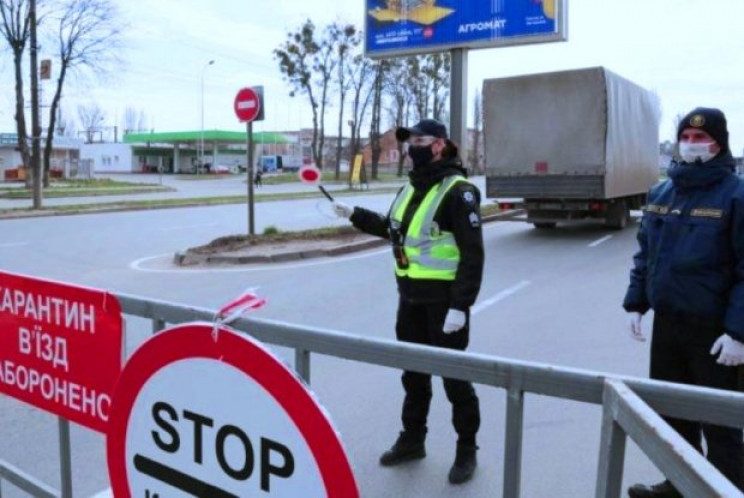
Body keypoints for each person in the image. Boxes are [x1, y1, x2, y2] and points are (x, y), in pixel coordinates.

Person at [332, 118, 484, 485]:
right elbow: (394, 230)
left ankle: (467, 449)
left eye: (417, 140)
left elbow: (472, 255)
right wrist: (355, 215)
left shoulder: (458, 191)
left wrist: (460, 307)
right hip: (410, 299)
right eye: (408, 140)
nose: (408, 146)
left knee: (454, 379)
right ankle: (413, 439)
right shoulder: (410, 188)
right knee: (413, 375)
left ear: (437, 146)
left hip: (444, 304)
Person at [623, 107, 744, 497]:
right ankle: (678, 484)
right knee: (673, 414)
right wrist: (637, 301)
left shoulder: (736, 195)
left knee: (720, 425)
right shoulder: (662, 192)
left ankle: (727, 490)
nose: (692, 145)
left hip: (715, 334)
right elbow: (646, 253)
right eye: (686, 138)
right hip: (669, 326)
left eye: (701, 138)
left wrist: (738, 333)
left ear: (719, 143)